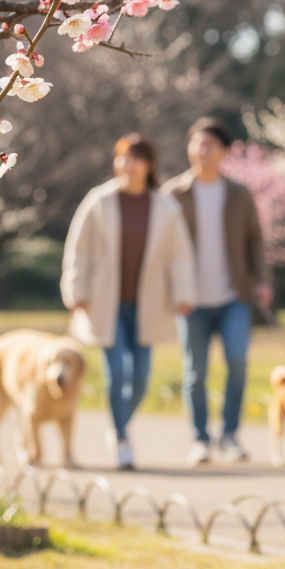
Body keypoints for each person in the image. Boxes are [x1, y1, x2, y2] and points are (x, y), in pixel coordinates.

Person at [61, 134, 197, 470]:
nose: (127, 165)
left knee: (141, 379)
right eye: (121, 158)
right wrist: (76, 289)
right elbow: (80, 248)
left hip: (146, 304)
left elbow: (179, 255)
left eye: (134, 159)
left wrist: (184, 293)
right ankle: (122, 439)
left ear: (148, 165)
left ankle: (119, 423)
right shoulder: (99, 201)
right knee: (117, 372)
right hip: (105, 302)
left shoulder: (165, 207)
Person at [163, 118, 273, 464]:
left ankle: (230, 434)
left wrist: (263, 280)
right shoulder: (173, 194)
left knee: (238, 363)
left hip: (233, 298)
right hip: (190, 300)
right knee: (195, 372)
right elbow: (162, 246)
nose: (201, 150)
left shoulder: (239, 194)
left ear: (225, 152)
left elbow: (255, 241)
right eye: (196, 143)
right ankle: (200, 438)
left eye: (209, 144)